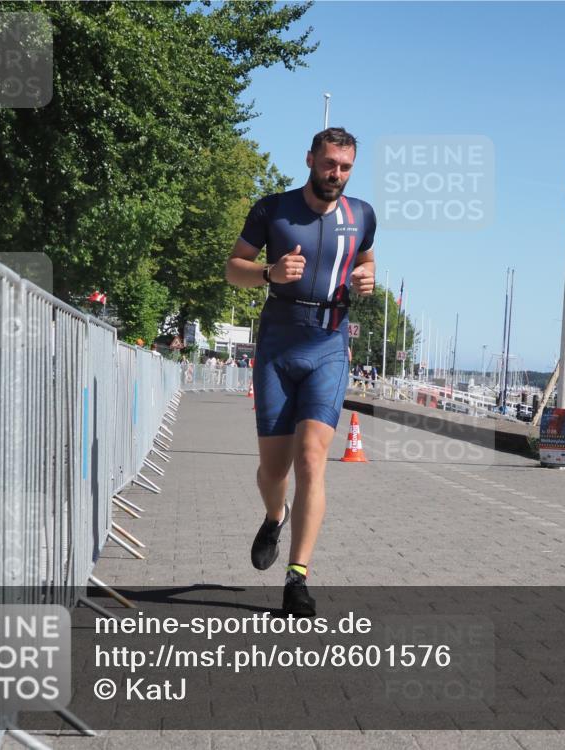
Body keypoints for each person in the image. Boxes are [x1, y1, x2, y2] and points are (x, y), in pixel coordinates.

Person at [226, 127, 376, 617]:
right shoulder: (273, 209)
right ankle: (275, 515)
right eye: (330, 163)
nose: (337, 174)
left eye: (346, 167)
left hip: (329, 343)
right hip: (278, 343)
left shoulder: (362, 216)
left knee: (312, 459)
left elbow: (366, 264)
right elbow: (232, 267)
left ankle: (297, 579)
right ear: (311, 159)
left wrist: (367, 280)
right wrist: (268, 273)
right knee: (274, 470)